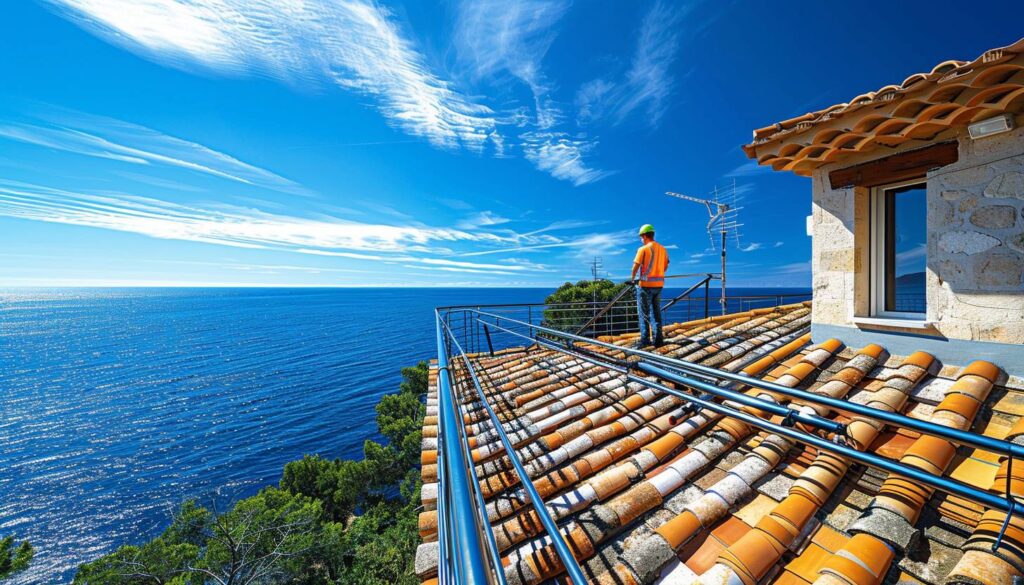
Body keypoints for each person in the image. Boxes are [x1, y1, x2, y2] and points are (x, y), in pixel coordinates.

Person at [630, 224, 669, 348]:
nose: (641, 239)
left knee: (644, 314)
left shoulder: (643, 249)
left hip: (645, 286)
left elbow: (635, 266)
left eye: (641, 237)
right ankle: (658, 340)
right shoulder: (663, 249)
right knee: (656, 313)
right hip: (659, 285)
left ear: (645, 236)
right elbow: (665, 266)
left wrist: (632, 279)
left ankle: (645, 340)